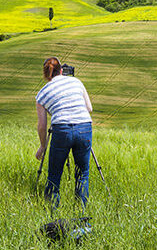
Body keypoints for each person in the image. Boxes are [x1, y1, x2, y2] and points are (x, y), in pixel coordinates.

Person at [35, 57, 93, 208]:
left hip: (61, 129)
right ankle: (81, 212)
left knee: (54, 175)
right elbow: (89, 108)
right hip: (84, 126)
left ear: (46, 75)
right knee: (82, 174)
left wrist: (43, 146)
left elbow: (42, 125)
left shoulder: (42, 94)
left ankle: (52, 212)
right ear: (62, 70)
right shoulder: (76, 82)